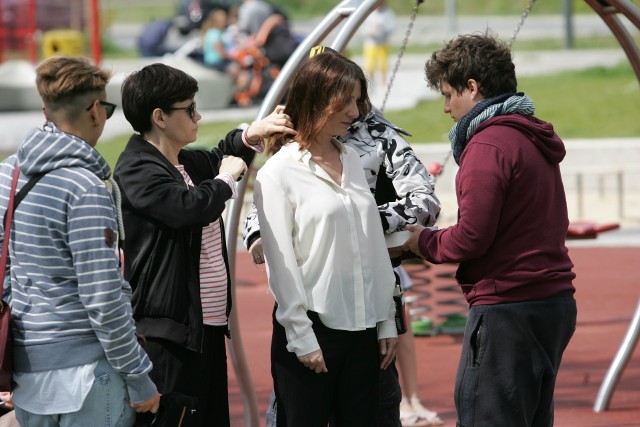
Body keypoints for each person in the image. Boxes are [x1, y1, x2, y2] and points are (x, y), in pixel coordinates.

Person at [244, 45, 444, 427]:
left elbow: (375, 241)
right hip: (312, 330)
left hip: (367, 326)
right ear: (318, 100)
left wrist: (386, 320)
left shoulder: (353, 156)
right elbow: (281, 266)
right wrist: (302, 337)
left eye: (357, 100)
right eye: (346, 102)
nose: (355, 112)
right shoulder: (279, 170)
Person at [403, 32, 577, 426]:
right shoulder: (529, 135)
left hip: (509, 306)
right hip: (552, 301)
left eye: (448, 95)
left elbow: (471, 237)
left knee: (486, 414)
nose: (446, 108)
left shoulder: (488, 146)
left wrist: (421, 242)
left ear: (472, 87)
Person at [114, 62, 296, 427]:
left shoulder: (182, 162)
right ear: (160, 117)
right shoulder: (136, 168)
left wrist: (252, 134)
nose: (198, 115)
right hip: (169, 336)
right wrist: (227, 179)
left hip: (205, 329)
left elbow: (221, 155)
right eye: (189, 108)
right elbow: (189, 207)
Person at [0, 56, 160, 425]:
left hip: (26, 371)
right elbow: (102, 298)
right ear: (95, 110)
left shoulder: (10, 172)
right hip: (88, 374)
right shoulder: (84, 187)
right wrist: (139, 378)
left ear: (46, 111)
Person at [362, 0, 395, 87]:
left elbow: (391, 27)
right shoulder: (368, 13)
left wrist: (382, 28)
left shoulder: (388, 12)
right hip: (371, 43)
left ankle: (383, 82)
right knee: (370, 65)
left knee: (383, 65)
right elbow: (362, 28)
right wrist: (370, 30)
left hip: (382, 43)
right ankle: (371, 81)